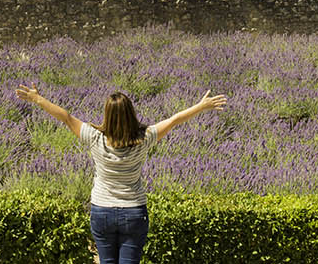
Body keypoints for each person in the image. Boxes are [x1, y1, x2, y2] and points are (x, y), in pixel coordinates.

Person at [15, 85, 226, 264]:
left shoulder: (94, 138)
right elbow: (174, 120)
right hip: (133, 211)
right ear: (130, 114)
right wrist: (201, 106)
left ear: (107, 115)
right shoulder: (144, 138)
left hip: (102, 211)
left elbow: (67, 118)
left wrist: (37, 99)